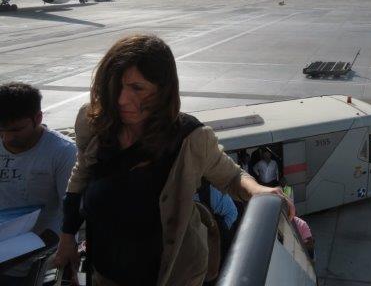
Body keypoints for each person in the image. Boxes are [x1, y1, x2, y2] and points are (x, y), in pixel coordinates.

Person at [53, 34, 293, 286]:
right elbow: (80, 175)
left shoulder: (189, 138)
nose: (121, 99)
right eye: (116, 86)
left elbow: (232, 176)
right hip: (104, 273)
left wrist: (258, 190)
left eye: (137, 88)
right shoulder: (95, 122)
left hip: (173, 275)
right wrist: (67, 237)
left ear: (163, 90)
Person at [0, 82, 77, 285]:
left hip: (37, 261)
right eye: (1, 130)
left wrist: (32, 249)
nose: (7, 138)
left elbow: (70, 211)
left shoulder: (63, 152)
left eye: (16, 130)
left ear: (38, 118)